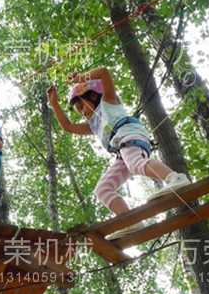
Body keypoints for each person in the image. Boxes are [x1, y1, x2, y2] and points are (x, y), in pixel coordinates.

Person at [47, 67, 191, 239]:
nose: (83, 113)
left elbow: (104, 72)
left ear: (93, 96)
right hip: (121, 151)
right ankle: (130, 222)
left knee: (136, 164)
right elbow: (68, 127)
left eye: (82, 107)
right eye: (79, 112)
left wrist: (80, 78)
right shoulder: (93, 125)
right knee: (103, 189)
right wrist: (54, 104)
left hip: (129, 134)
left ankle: (175, 178)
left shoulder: (108, 101)